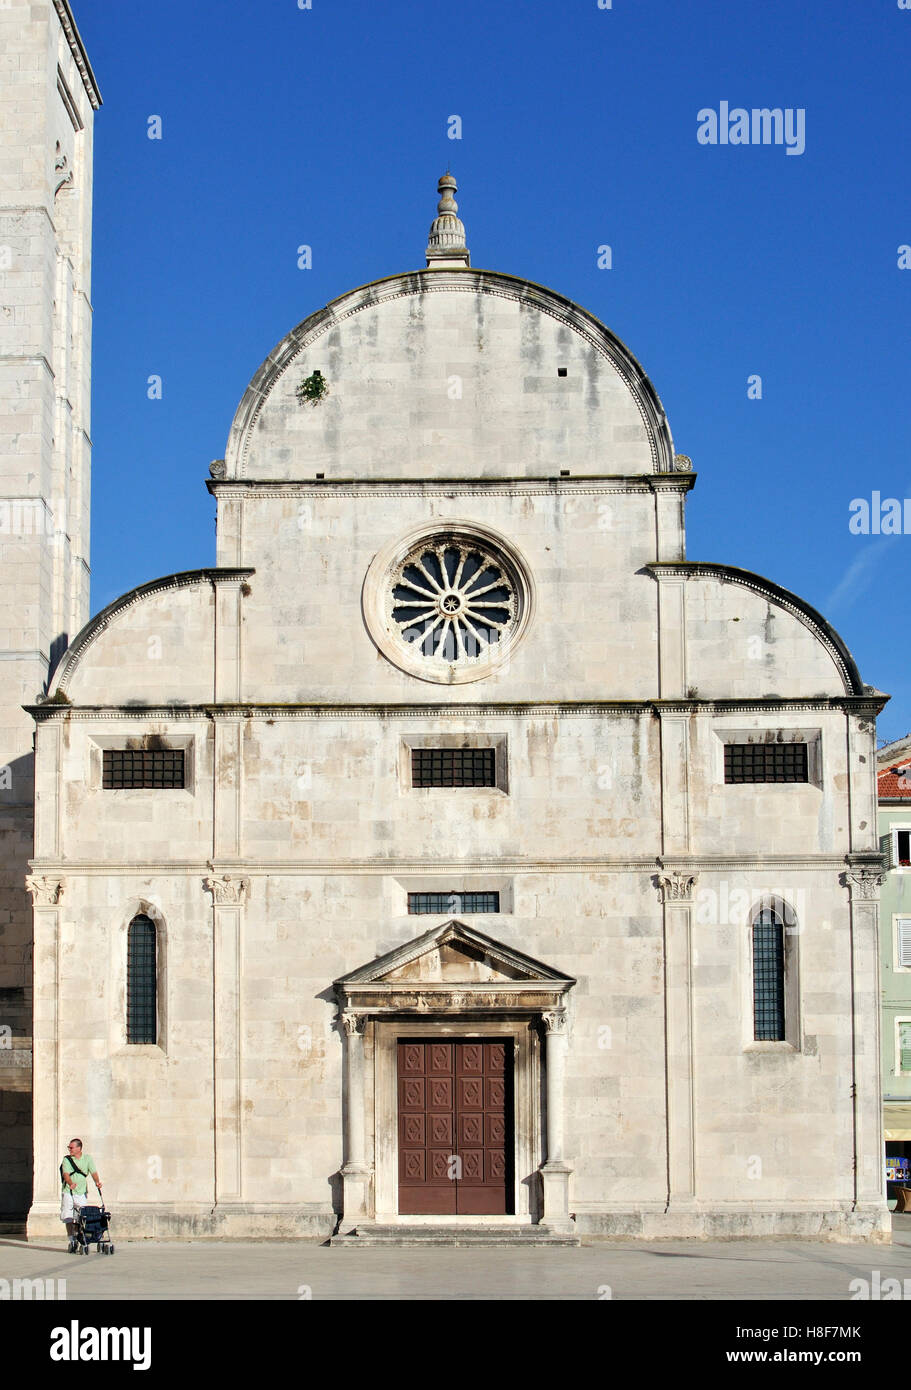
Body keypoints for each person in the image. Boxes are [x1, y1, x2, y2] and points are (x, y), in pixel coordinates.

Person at [60, 1138, 103, 1246]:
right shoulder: (67, 1159)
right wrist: (70, 1183)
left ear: (79, 1148)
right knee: (68, 1216)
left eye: (71, 1147)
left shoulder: (87, 1159)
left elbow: (93, 1171)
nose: (69, 1149)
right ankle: (71, 1239)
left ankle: (81, 1236)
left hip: (81, 1191)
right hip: (68, 1191)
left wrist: (97, 1182)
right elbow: (66, 1174)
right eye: (69, 1147)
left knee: (82, 1216)